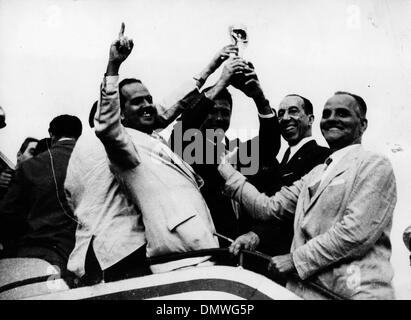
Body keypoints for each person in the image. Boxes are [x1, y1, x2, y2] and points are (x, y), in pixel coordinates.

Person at [66, 24, 218, 282]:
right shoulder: (111, 137)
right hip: (122, 253)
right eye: (137, 102)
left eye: (148, 99)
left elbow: (165, 110)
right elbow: (148, 116)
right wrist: (113, 66)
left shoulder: (101, 140)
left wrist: (213, 69)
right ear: (118, 113)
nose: (149, 107)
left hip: (95, 254)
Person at [218, 91, 397, 299]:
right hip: (306, 293)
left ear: (363, 124)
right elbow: (268, 207)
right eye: (327, 113)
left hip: (356, 292)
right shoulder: (315, 174)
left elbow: (354, 233)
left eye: (342, 113)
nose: (332, 119)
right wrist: (223, 167)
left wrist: (294, 260)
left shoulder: (374, 164)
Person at [170, 53, 281, 243]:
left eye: (225, 112)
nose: (220, 118)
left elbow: (269, 146)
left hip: (240, 245)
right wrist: (222, 81)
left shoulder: (233, 150)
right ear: (203, 113)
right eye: (213, 112)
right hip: (203, 245)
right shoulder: (187, 144)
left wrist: (258, 97)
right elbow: (187, 122)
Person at [231, 94, 330, 257]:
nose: (285, 118)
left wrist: (257, 235)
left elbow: (293, 212)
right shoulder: (278, 163)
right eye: (281, 114)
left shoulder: (322, 157)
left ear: (310, 119)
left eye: (293, 111)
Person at [0, 115, 82, 275]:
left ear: (51, 134)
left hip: (40, 255)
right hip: (83, 254)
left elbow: (6, 214)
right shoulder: (94, 160)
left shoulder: (30, 167)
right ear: (78, 135)